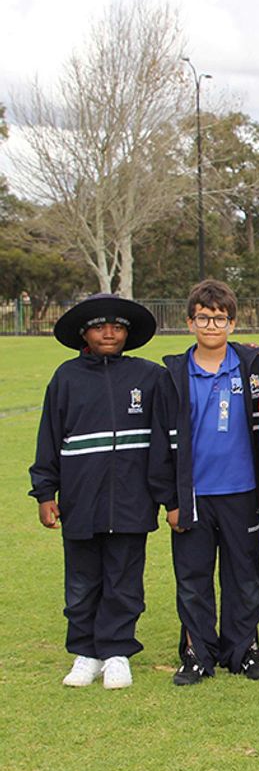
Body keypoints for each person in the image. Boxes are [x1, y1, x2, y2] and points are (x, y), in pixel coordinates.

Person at [31, 293, 173, 689]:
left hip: (132, 501)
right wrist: (45, 492)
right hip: (80, 501)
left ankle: (116, 653)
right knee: (81, 584)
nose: (109, 333)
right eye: (99, 326)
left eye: (117, 327)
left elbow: (167, 438)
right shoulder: (66, 377)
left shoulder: (149, 377)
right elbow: (48, 439)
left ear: (128, 333)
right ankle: (85, 654)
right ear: (84, 334)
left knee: (124, 582)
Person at [159, 280, 259, 685]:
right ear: (190, 322)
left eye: (220, 318)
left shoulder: (252, 365)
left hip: (242, 491)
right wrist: (171, 500)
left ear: (233, 323)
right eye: (204, 318)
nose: (212, 325)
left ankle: (244, 650)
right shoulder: (173, 373)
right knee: (193, 578)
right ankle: (197, 653)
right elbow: (161, 443)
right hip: (193, 494)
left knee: (244, 576)